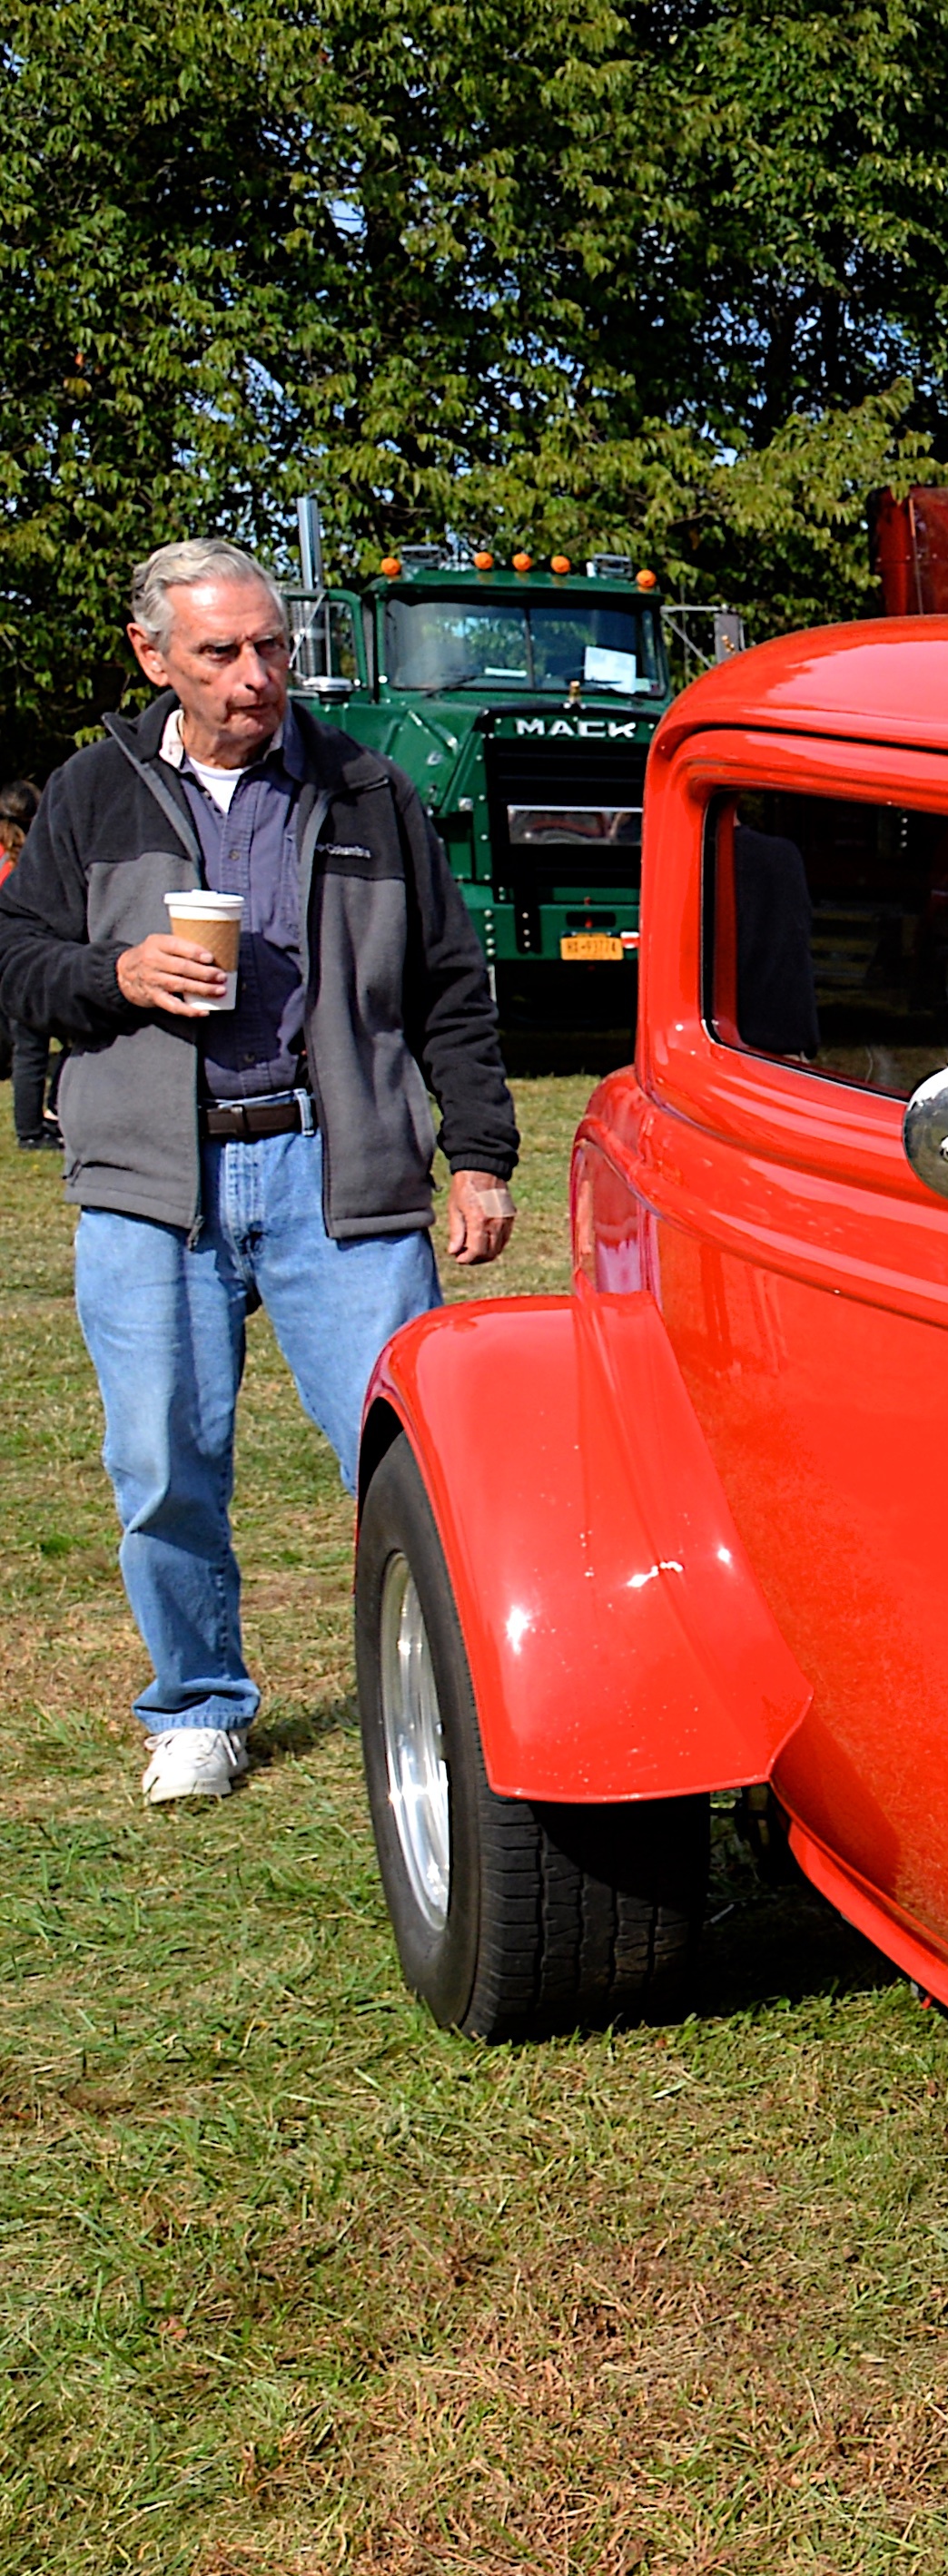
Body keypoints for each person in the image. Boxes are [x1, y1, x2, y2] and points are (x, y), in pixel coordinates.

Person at [0, 540, 513, 1804]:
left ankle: (454, 1700)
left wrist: (481, 1156)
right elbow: (18, 963)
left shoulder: (367, 787)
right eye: (221, 653)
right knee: (162, 1462)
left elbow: (450, 985)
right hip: (151, 1184)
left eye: (271, 646)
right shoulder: (88, 794)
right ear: (153, 655)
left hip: (335, 1170)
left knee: (408, 1459)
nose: (255, 676)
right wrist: (113, 977)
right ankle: (197, 1707)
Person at [0, 778, 51, 1146]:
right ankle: (31, 1131)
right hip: (24, 956)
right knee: (32, 1046)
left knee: (25, 1045)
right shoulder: (36, 860)